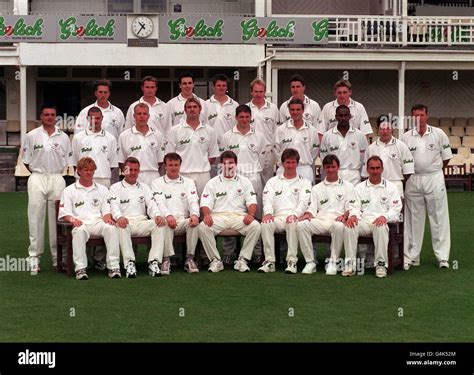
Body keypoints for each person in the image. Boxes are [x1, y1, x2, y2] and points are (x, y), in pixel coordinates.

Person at [22, 104, 72, 275]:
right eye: (46, 114)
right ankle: (34, 259)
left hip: (57, 178)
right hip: (37, 178)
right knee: (35, 218)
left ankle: (58, 258)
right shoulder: (31, 136)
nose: (49, 117)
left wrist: (53, 175)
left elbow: (67, 160)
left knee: (57, 220)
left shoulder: (64, 137)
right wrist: (39, 174)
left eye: (52, 115)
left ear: (56, 117)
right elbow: (27, 161)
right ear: (41, 116)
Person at [402, 104, 452, 270]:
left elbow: (446, 158)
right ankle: (412, 256)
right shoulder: (406, 137)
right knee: (413, 220)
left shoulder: (439, 134)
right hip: (413, 179)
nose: (419, 118)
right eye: (416, 115)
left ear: (427, 116)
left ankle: (442, 257)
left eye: (422, 115)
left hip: (434, 177)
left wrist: (434, 171)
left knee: (438, 218)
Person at [58, 157, 121, 280]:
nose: (89, 172)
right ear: (79, 171)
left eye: (91, 170)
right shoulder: (69, 190)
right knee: (79, 231)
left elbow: (106, 211)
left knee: (111, 228)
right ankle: (80, 269)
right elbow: (65, 213)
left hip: (98, 223)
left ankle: (113, 267)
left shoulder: (102, 189)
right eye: (86, 170)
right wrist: (73, 220)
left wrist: (108, 218)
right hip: (81, 223)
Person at [198, 151, 261, 273]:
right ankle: (216, 260)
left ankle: (242, 260)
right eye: (225, 163)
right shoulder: (213, 182)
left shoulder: (245, 181)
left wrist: (251, 214)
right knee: (202, 227)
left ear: (236, 164)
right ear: (221, 165)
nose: (229, 165)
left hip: (239, 216)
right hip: (218, 217)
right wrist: (206, 215)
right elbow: (205, 203)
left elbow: (252, 202)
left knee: (256, 226)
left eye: (231, 163)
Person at [220, 104, 266, 264]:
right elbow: (225, 158)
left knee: (256, 215)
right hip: (233, 180)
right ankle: (228, 253)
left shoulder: (259, 136)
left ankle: (257, 252)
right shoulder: (227, 136)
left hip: (253, 178)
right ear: (236, 117)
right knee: (231, 213)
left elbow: (263, 159)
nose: (244, 120)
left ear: (251, 117)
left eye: (247, 117)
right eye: (241, 117)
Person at [343, 156, 402, 278]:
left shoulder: (391, 188)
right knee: (349, 226)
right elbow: (354, 206)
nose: (375, 171)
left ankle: (380, 265)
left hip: (381, 221)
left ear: (382, 169)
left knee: (380, 227)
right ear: (367, 169)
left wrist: (385, 217)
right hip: (364, 222)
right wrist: (353, 216)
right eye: (372, 168)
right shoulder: (359, 187)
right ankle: (350, 264)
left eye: (377, 168)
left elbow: (396, 209)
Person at [297, 154, 354, 275]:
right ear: (324, 168)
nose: (331, 170)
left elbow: (351, 207)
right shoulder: (317, 188)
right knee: (301, 225)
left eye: (333, 166)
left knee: (338, 226)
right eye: (328, 167)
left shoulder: (348, 186)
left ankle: (333, 262)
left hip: (337, 220)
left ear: (338, 167)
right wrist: (307, 214)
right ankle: (310, 262)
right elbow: (312, 209)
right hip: (321, 220)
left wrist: (345, 216)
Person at [109, 157, 166, 278]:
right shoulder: (115, 187)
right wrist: (119, 217)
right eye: (130, 169)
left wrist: (157, 215)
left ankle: (154, 262)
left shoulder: (144, 187)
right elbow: (114, 206)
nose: (133, 173)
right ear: (124, 170)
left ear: (139, 171)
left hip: (141, 222)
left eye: (136, 170)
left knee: (160, 224)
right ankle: (129, 263)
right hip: (126, 222)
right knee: (121, 226)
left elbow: (151, 205)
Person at [259, 148, 311, 274]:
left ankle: (292, 261)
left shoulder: (305, 182)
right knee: (266, 223)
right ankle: (270, 261)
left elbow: (303, 202)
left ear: (297, 164)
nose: (290, 165)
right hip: (277, 217)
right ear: (282, 164)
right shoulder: (272, 181)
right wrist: (268, 214)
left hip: (294, 217)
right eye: (288, 162)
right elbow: (267, 200)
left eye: (293, 162)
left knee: (292, 222)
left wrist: (295, 215)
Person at [151, 152, 200, 274]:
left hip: (183, 219)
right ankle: (166, 260)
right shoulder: (157, 183)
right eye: (170, 165)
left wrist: (194, 214)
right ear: (165, 166)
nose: (173, 168)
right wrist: (168, 215)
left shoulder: (189, 182)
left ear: (180, 166)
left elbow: (193, 201)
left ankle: (190, 259)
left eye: (176, 165)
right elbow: (159, 202)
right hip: (166, 219)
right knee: (165, 224)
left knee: (194, 223)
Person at [165, 97, 220, 197]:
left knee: (204, 205)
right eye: (189, 107)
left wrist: (201, 164)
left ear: (200, 109)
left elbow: (212, 156)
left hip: (203, 175)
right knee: (183, 206)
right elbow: (170, 155)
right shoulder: (175, 130)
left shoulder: (210, 131)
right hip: (182, 174)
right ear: (185, 110)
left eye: (195, 107)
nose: (192, 109)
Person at [363, 115, 414, 197]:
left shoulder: (401, 146)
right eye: (382, 129)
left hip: (396, 185)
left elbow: (408, 171)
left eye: (388, 128)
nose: (385, 131)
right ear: (378, 130)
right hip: (375, 187)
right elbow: (365, 173)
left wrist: (397, 184)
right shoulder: (370, 148)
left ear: (392, 129)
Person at [320, 105, 368, 186]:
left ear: (350, 116)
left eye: (345, 115)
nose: (343, 118)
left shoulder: (360, 135)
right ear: (336, 117)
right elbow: (324, 158)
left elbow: (364, 158)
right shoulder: (327, 136)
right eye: (340, 115)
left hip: (354, 177)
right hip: (335, 175)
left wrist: (363, 175)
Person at [118, 103, 165, 187]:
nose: (142, 116)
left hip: (153, 176)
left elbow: (161, 161)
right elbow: (121, 162)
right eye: (139, 114)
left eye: (144, 114)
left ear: (148, 116)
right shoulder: (124, 136)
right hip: (133, 177)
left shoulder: (158, 135)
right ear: (134, 116)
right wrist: (129, 176)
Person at [274, 98, 319, 183]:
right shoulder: (281, 129)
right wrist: (285, 164)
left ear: (303, 111)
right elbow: (276, 151)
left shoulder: (312, 130)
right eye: (292, 110)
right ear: (289, 111)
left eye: (298, 109)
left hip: (304, 169)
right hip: (284, 169)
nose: (295, 112)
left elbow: (314, 152)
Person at [71, 107, 118, 188]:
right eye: (92, 118)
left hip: (103, 179)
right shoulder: (78, 138)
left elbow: (113, 164)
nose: (95, 121)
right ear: (87, 118)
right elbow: (75, 163)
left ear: (102, 118)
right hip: (82, 179)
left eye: (98, 118)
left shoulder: (111, 138)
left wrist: (101, 172)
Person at [247, 79, 280, 186]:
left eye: (261, 91)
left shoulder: (273, 108)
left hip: (268, 152)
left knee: (267, 182)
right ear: (251, 92)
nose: (258, 94)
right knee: (252, 182)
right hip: (251, 151)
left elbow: (277, 131)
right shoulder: (246, 108)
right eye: (256, 91)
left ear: (265, 92)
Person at [206, 74, 239, 177]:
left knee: (228, 178)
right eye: (218, 85)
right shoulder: (205, 105)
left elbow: (237, 127)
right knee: (212, 179)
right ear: (213, 87)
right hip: (211, 149)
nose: (221, 88)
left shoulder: (234, 105)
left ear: (227, 87)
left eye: (223, 85)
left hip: (228, 148)